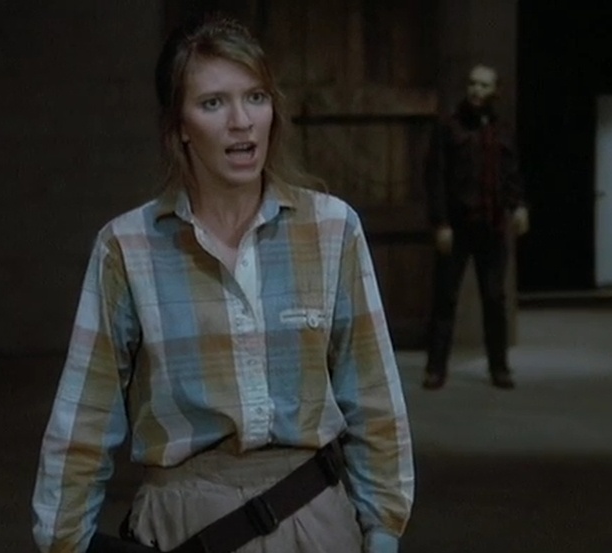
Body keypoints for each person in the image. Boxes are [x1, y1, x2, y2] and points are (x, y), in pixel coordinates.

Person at [31, 13, 414, 553]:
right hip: (184, 524)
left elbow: (372, 392)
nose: (242, 122)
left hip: (313, 518)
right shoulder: (128, 247)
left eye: (255, 97)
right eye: (213, 103)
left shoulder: (331, 228)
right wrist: (64, 538)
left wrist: (384, 527)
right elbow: (85, 415)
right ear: (180, 126)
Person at [421, 63, 528, 391]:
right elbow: (435, 176)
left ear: (495, 91)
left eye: (483, 85)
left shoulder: (502, 129)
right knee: (445, 298)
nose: (476, 90)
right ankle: (435, 368)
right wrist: (440, 222)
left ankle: (499, 367)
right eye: (472, 84)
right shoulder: (449, 128)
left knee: (495, 299)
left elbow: (511, 172)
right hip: (457, 225)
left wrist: (519, 205)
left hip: (492, 226)